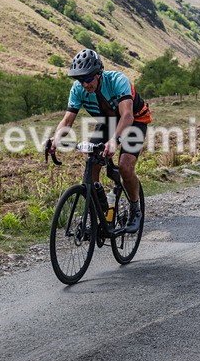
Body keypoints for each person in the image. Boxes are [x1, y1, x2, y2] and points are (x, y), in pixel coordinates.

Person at [48, 48, 152, 233]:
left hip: (134, 120)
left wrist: (114, 141)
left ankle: (135, 209)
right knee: (92, 162)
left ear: (99, 74)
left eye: (88, 79)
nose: (84, 84)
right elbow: (67, 120)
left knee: (125, 167)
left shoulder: (117, 81)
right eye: (80, 79)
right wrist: (55, 139)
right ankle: (103, 209)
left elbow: (126, 115)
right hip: (107, 122)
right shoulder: (78, 89)